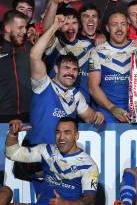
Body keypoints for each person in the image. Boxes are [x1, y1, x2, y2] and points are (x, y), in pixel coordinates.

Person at [27, 15, 103, 145]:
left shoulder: (76, 95)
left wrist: (97, 116)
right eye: (66, 68)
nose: (71, 73)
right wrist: (55, 26)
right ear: (56, 69)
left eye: (74, 69)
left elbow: (90, 117)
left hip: (60, 158)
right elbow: (34, 56)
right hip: (34, 153)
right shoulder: (43, 84)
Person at [88, 12, 137, 123]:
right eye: (114, 24)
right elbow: (92, 87)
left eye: (123, 24)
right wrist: (113, 109)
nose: (119, 29)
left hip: (136, 112)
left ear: (128, 27)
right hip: (107, 112)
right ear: (108, 28)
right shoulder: (97, 51)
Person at [0, 10, 32, 122]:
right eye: (20, 27)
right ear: (7, 28)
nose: (24, 31)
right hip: (2, 113)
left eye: (25, 27)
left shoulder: (28, 46)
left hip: (28, 112)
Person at [44, 7, 93, 100]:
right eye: (66, 23)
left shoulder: (89, 45)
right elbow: (47, 30)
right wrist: (55, 3)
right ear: (59, 26)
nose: (71, 27)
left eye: (74, 23)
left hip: (84, 102)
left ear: (79, 25)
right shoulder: (54, 44)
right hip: (58, 103)